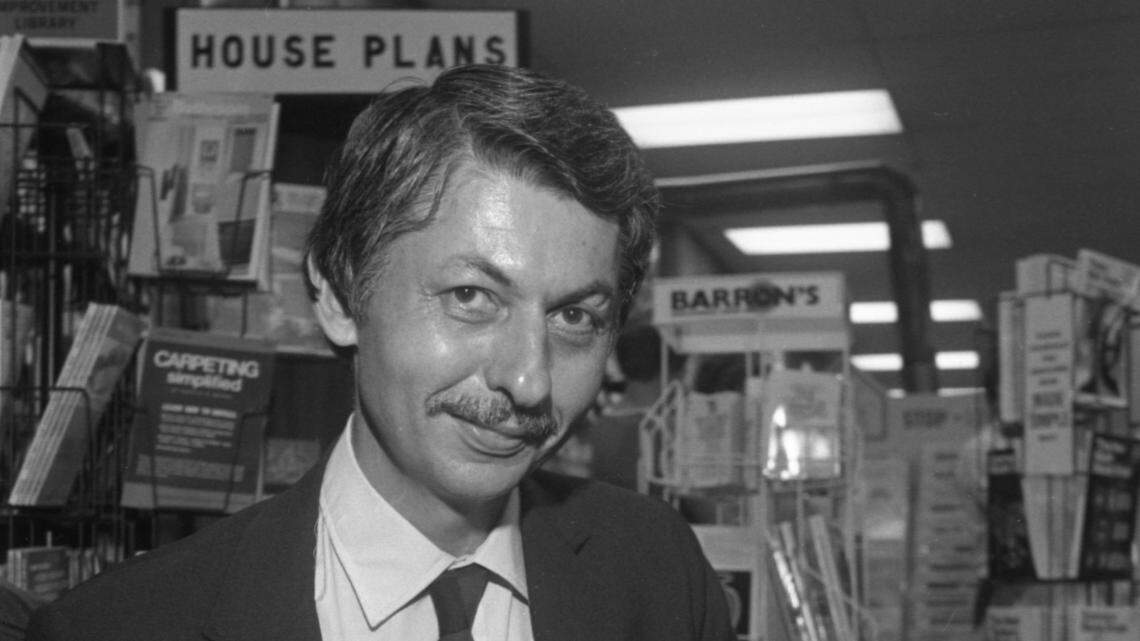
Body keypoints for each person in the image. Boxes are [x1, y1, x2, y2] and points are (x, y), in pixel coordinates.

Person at [27, 64, 734, 641]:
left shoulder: (660, 575)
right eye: (470, 296)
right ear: (338, 295)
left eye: (575, 315)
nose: (528, 377)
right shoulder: (121, 623)